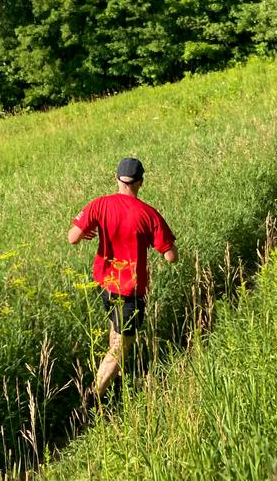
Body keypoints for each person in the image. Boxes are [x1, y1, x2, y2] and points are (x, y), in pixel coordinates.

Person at [68, 157, 177, 397]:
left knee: (115, 333)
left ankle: (116, 385)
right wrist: (149, 239)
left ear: (116, 178)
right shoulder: (149, 215)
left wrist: (88, 232)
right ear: (141, 182)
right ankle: (93, 399)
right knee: (121, 347)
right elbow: (171, 257)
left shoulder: (99, 205)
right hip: (130, 291)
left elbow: (72, 237)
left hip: (105, 284)